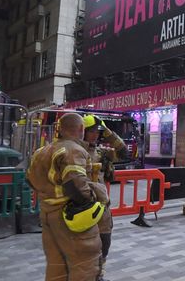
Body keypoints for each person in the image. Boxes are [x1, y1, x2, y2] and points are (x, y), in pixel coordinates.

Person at [26, 113, 108, 280]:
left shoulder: (41, 151)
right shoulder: (74, 150)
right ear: (81, 129)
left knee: (56, 267)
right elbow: (75, 186)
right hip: (70, 218)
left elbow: (30, 180)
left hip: (48, 216)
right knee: (85, 266)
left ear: (60, 129)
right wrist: (95, 197)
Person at [83, 114, 128, 281]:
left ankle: (98, 275)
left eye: (97, 131)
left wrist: (108, 131)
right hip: (81, 206)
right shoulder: (73, 151)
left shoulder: (101, 153)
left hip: (101, 207)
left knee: (104, 242)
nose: (95, 134)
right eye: (91, 131)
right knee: (84, 245)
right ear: (82, 132)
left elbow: (123, 152)